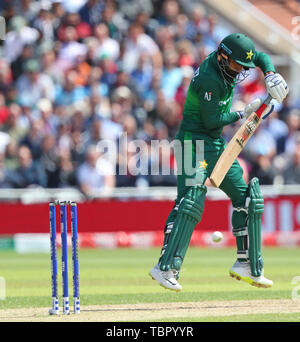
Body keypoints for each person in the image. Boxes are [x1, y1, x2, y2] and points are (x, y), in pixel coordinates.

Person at [149, 33, 289, 291]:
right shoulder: (210, 78)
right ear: (223, 56)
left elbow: (258, 56)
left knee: (249, 198)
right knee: (190, 201)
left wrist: (269, 73)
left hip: (214, 144)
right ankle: (165, 268)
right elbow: (213, 120)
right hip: (193, 142)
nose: (240, 72)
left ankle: (246, 264)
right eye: (236, 65)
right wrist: (245, 112)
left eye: (243, 67)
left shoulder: (232, 59)